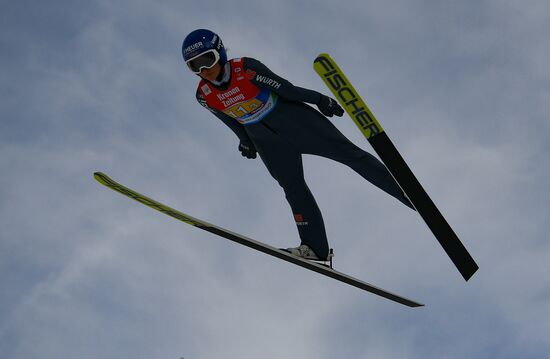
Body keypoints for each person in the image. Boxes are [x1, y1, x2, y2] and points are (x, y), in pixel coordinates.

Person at [182, 29, 413, 261]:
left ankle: (406, 193)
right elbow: (230, 120)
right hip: (268, 142)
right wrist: (245, 142)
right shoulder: (204, 95)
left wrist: (319, 99)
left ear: (220, 53)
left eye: (207, 60)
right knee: (293, 189)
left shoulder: (246, 69)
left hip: (296, 122)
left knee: (349, 155)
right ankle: (315, 248)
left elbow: (287, 89)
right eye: (195, 66)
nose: (204, 70)